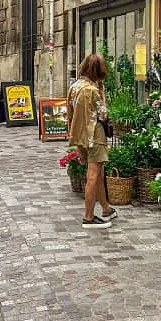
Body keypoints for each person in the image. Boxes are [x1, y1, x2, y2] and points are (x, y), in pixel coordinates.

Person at [67, 54, 116, 229]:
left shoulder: (75, 86)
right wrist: (102, 94)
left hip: (80, 135)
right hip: (95, 135)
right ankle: (88, 216)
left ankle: (106, 208)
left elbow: (70, 112)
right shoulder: (92, 91)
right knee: (93, 175)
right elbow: (104, 114)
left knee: (98, 172)